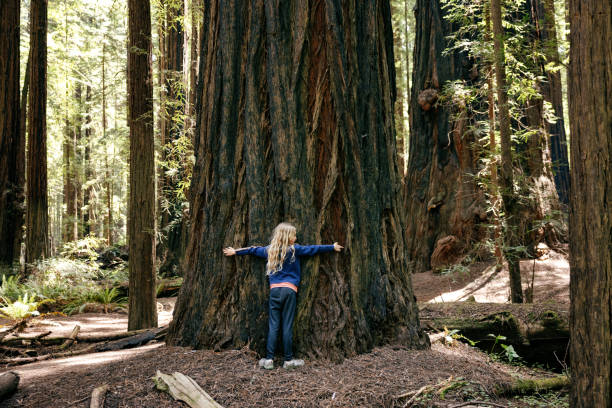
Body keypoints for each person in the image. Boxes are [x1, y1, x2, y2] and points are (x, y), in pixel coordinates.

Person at [223, 222, 343, 369]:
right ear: (287, 237)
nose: (296, 236)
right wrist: (332, 247)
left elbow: (252, 250)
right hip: (289, 291)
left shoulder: (269, 250)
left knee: (273, 325)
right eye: (294, 234)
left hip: (275, 291)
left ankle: (269, 360)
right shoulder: (294, 250)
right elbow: (313, 249)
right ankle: (288, 360)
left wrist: (235, 251)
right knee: (287, 325)